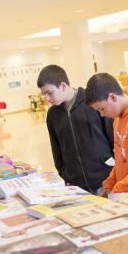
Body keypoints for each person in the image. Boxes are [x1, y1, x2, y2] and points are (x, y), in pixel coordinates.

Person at [37, 65, 114, 193]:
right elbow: (56, 148)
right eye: (44, 94)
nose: (47, 99)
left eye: (49, 93)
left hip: (105, 179)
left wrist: (112, 169)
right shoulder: (52, 115)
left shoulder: (92, 103)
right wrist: (64, 174)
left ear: (63, 86)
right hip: (76, 186)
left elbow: (113, 137)